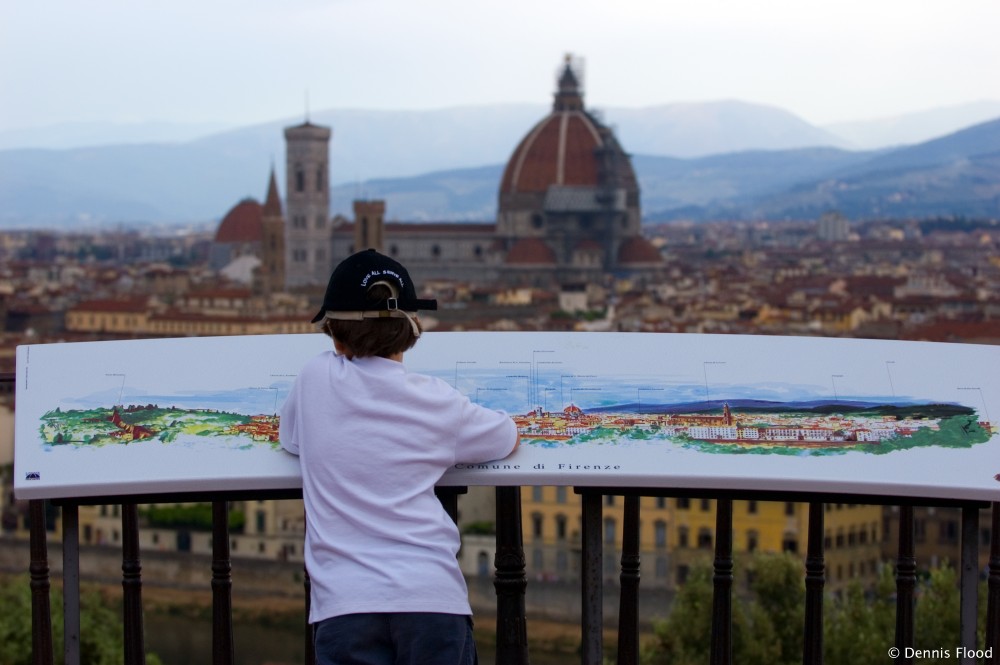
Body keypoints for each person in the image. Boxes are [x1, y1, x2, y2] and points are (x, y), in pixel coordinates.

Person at [279, 249, 520, 665]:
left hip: (345, 606)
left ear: (334, 335)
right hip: (432, 600)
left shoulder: (313, 378)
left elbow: (291, 440)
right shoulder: (437, 401)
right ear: (413, 328)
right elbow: (505, 436)